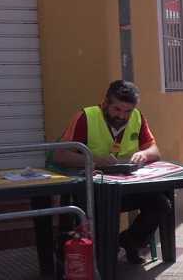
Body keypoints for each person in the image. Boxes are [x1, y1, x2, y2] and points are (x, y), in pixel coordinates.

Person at [54, 80, 168, 265]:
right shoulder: (86, 117)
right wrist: (95, 160)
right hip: (94, 191)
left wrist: (143, 154)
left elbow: (155, 152)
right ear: (105, 103)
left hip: (127, 188)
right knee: (107, 210)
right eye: (117, 109)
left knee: (161, 204)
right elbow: (61, 156)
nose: (122, 116)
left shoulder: (137, 117)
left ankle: (130, 241)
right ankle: (105, 255)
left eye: (127, 111)